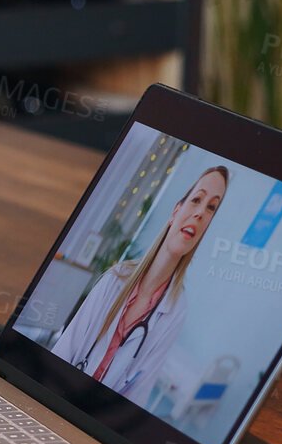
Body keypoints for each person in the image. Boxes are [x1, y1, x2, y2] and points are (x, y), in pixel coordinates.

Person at [50, 165, 231, 398]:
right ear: (175, 212)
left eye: (211, 208)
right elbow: (63, 352)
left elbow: (139, 392)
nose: (200, 213)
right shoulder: (117, 278)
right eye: (197, 200)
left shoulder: (176, 310)